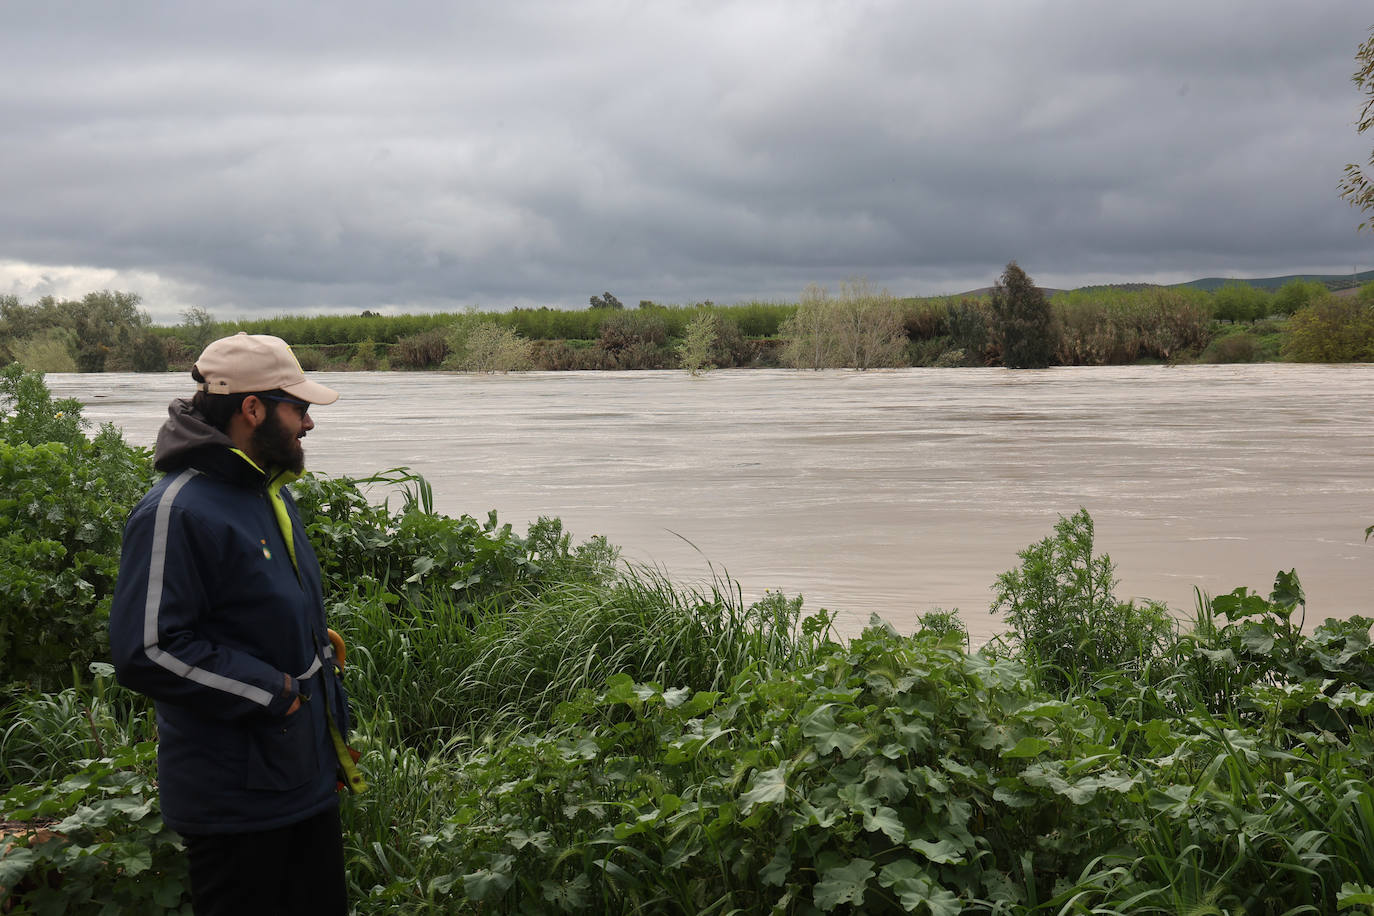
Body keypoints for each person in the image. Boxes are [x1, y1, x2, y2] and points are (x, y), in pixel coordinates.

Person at [109, 332, 362, 915]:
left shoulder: (262, 489)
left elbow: (249, 607)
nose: (307, 424)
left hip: (300, 777)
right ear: (253, 409)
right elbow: (149, 649)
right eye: (297, 408)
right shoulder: (177, 509)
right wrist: (278, 695)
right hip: (236, 801)